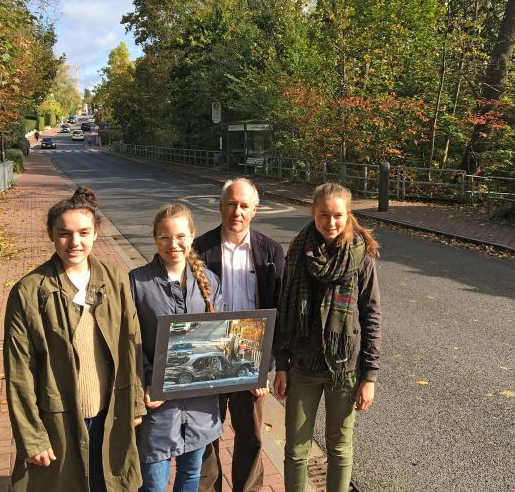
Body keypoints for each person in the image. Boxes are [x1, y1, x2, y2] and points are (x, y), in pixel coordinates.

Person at [3, 186, 145, 492]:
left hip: (110, 414)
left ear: (95, 233)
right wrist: (33, 437)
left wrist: (134, 404)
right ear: (51, 234)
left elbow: (131, 344)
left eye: (83, 232)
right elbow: (19, 373)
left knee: (110, 483)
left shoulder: (115, 278)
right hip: (60, 423)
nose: (74, 242)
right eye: (64, 233)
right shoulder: (29, 292)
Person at [273, 183, 382, 492]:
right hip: (303, 366)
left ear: (348, 215)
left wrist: (369, 376)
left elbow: (371, 315)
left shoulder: (361, 255)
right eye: (323, 215)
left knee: (339, 447)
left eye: (337, 215)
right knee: (296, 450)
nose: (330, 223)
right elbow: (283, 310)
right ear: (313, 212)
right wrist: (281, 365)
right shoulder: (298, 249)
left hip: (344, 368)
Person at [195, 179, 285, 492]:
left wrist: (268, 365)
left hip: (250, 352)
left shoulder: (270, 251)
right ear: (221, 206)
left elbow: (278, 309)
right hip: (210, 352)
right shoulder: (200, 248)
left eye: (244, 205)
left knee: (250, 436)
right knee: (206, 434)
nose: (237, 211)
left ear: (254, 211)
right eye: (231, 204)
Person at [130, 204, 224, 492]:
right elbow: (129, 342)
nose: (174, 244)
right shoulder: (137, 282)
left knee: (191, 474)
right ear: (155, 239)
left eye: (181, 236)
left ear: (192, 236)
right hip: (157, 404)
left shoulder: (209, 281)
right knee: (154, 484)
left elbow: (220, 338)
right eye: (165, 238)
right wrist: (147, 381)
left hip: (198, 403)